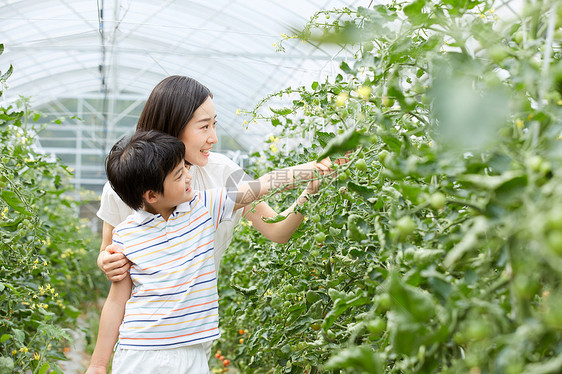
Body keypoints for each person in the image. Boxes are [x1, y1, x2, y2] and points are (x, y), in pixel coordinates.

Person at [96, 76, 327, 362]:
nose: (213, 137)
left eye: (214, 124)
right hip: (141, 343)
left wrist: (313, 184)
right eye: (204, 126)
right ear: (172, 127)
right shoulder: (123, 187)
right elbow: (111, 254)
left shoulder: (220, 179)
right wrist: (106, 260)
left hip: (193, 337)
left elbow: (277, 228)